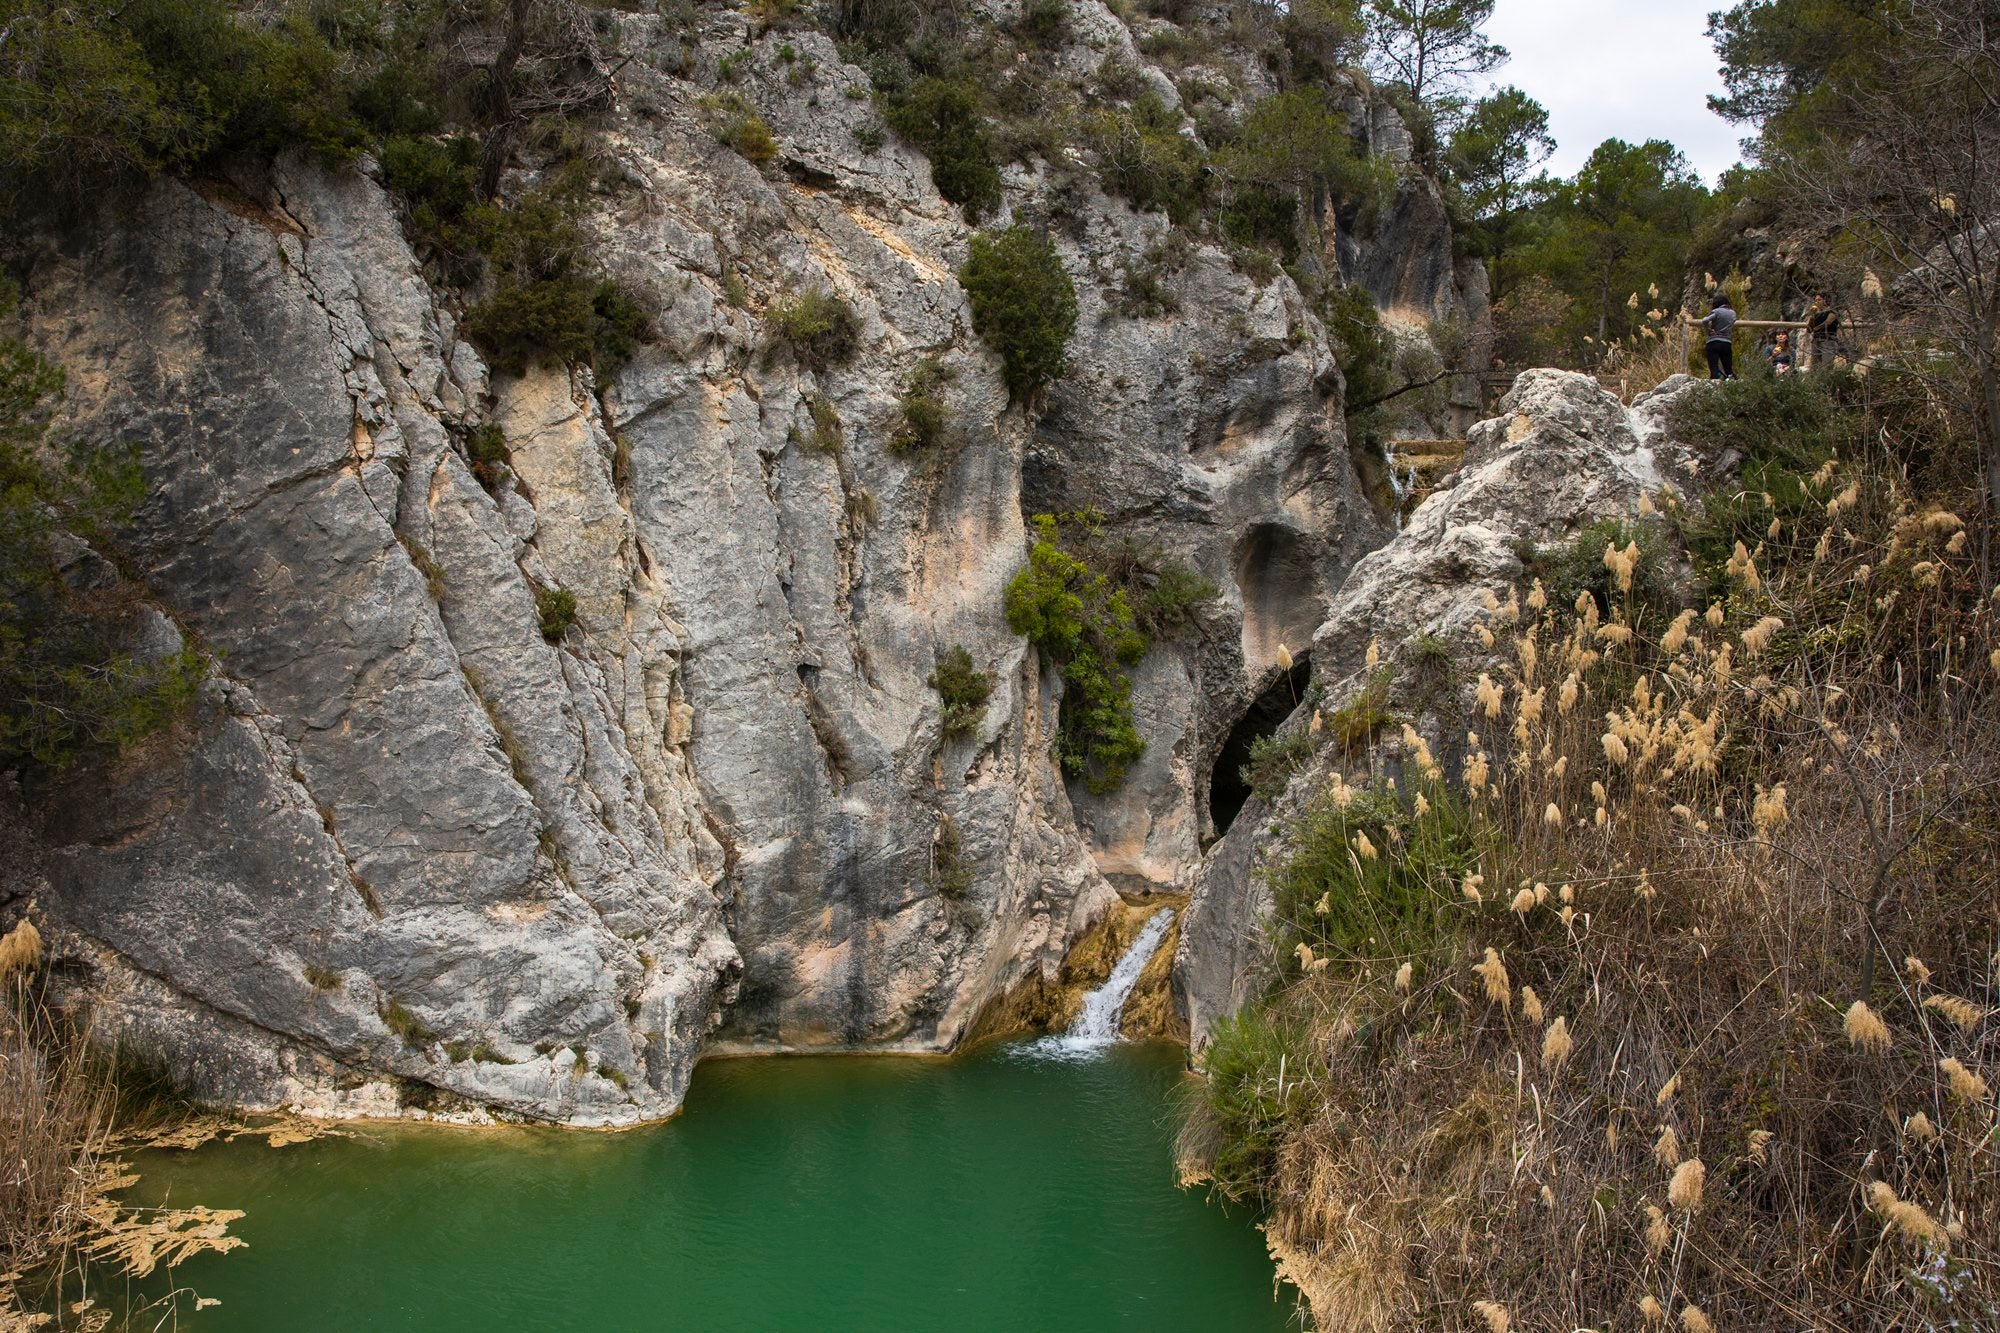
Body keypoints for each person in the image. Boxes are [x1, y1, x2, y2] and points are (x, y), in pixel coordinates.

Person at [1698, 294, 1737, 380]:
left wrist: (1709, 330)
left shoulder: (1716, 311)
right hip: (1727, 342)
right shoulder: (1733, 313)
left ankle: (1719, 378)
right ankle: (1733, 383)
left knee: (1714, 369)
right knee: (1728, 369)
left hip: (1714, 342)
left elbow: (1705, 320)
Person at [1805, 293, 1841, 369]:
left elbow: (1827, 323)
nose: (1817, 302)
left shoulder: (1832, 312)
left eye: (1819, 300)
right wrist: (1811, 317)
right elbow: (1809, 330)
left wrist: (1815, 329)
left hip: (1827, 340)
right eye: (1815, 300)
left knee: (1827, 365)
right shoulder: (1815, 314)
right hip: (1816, 341)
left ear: (1825, 300)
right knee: (1815, 366)